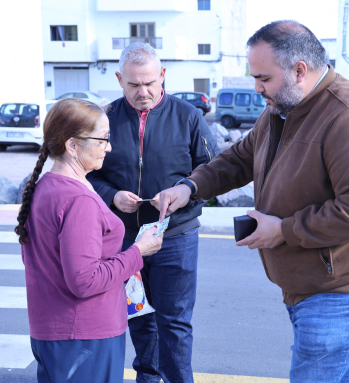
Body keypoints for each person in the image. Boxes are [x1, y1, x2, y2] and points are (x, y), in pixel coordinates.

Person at [156, 21, 349, 383]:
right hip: (317, 283)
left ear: (299, 70)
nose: (257, 87)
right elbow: (239, 158)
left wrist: (283, 230)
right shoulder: (283, 108)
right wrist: (191, 186)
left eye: (263, 78)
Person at [86, 43, 219, 383]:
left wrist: (183, 194)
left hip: (176, 236)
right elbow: (88, 174)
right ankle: (147, 377)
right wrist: (113, 197)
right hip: (125, 240)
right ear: (119, 79)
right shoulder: (105, 120)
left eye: (149, 82)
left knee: (173, 321)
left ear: (162, 75)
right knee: (139, 317)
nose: (143, 92)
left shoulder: (189, 116)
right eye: (134, 85)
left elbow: (213, 172)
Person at [14, 98, 163, 383]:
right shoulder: (78, 199)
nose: (108, 147)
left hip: (54, 329)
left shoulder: (46, 185)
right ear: (72, 145)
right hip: (84, 334)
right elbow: (85, 280)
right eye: (102, 139)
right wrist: (138, 251)